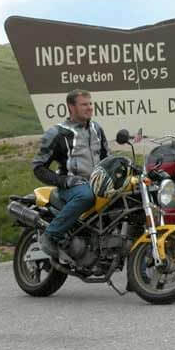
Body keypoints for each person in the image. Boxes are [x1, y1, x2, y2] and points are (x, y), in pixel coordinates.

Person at [33, 89, 110, 258]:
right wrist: (64, 181)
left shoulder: (97, 129)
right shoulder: (58, 133)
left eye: (90, 104)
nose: (89, 108)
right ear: (71, 107)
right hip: (72, 187)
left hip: (97, 184)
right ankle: (50, 235)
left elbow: (106, 158)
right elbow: (38, 167)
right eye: (84, 104)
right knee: (86, 196)